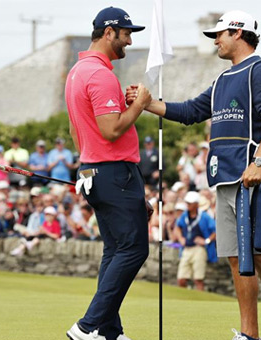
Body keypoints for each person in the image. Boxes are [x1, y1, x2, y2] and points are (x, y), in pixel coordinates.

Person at [130, 10, 261, 340]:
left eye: (220, 35)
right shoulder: (223, 79)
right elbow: (191, 111)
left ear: (238, 33)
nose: (216, 42)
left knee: (258, 252)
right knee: (236, 257)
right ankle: (249, 333)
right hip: (224, 177)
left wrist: (258, 161)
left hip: (253, 175)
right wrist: (148, 104)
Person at [64, 7, 151, 340]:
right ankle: (87, 326)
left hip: (95, 170)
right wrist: (139, 105)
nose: (129, 40)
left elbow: (76, 130)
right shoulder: (100, 75)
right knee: (133, 249)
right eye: (127, 33)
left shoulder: (78, 71)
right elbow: (112, 130)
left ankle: (108, 331)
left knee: (116, 250)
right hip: (115, 172)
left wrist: (87, 164)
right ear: (110, 31)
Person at [175, 191, 216, 291]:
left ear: (196, 204)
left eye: (190, 203)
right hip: (186, 248)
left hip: (199, 249)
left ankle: (199, 301)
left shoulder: (204, 216)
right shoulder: (184, 216)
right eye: (187, 202)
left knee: (198, 279)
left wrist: (206, 241)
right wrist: (181, 238)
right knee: (181, 279)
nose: (188, 205)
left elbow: (215, 231)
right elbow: (178, 227)